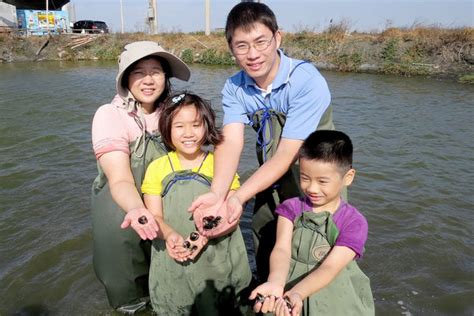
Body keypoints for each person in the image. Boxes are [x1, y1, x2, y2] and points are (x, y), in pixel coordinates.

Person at [189, 2, 335, 281]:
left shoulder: (305, 81)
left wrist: (239, 197)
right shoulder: (235, 86)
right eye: (242, 46)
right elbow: (230, 142)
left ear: (277, 38)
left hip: (318, 179)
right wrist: (218, 194)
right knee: (266, 241)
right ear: (231, 49)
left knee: (316, 253)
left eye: (260, 42)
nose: (253, 54)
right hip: (271, 178)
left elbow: (286, 154)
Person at [90, 41, 190, 312]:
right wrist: (136, 209)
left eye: (156, 71)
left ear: (166, 77)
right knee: (130, 293)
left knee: (172, 282)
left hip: (164, 209)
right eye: (139, 72)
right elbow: (120, 178)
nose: (149, 80)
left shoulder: (175, 113)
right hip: (123, 211)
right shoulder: (110, 115)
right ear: (125, 78)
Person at [141, 92, 252, 315]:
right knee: (176, 302)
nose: (189, 133)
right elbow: (155, 217)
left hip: (216, 253)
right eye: (179, 126)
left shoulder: (221, 165)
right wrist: (171, 235)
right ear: (166, 129)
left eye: (196, 124)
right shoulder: (156, 168)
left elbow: (233, 209)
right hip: (173, 252)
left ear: (207, 126)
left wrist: (206, 235)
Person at [249, 130, 374, 316]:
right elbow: (282, 249)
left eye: (323, 181)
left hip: (332, 293)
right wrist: (276, 281)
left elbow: (330, 267)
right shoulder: (290, 208)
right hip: (287, 283)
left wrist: (298, 293)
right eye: (305, 178)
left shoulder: (354, 223)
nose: (312, 188)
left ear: (348, 177)